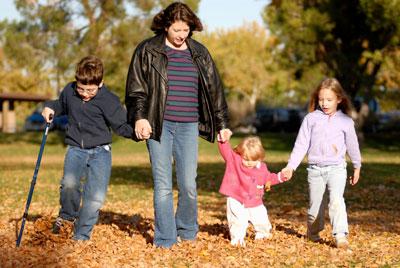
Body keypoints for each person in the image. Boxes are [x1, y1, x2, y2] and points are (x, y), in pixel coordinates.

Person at [125, 2, 230, 248]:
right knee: (162, 184)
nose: (182, 35)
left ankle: (187, 231)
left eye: (186, 30)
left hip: (188, 125)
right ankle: (165, 239)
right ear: (165, 26)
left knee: (188, 184)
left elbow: (215, 90)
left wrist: (222, 122)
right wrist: (140, 117)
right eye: (177, 30)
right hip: (158, 125)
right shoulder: (147, 50)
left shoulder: (200, 53)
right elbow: (136, 89)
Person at [42, 55, 134, 241]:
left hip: (101, 152)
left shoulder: (108, 100)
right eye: (81, 88)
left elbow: (121, 125)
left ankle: (82, 235)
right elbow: (60, 105)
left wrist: (138, 132)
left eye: (90, 90)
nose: (84, 93)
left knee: (95, 196)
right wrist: (50, 107)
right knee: (69, 184)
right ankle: (67, 218)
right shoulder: (70, 91)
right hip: (76, 148)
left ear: (100, 84)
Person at [282, 78, 361, 248]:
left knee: (336, 200)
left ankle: (340, 235)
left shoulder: (346, 122)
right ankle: (313, 232)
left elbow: (353, 146)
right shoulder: (311, 119)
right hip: (315, 170)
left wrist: (357, 166)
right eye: (321, 99)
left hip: (337, 169)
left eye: (329, 100)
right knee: (315, 207)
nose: (324, 103)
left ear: (339, 99)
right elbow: (301, 144)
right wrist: (291, 166)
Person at [217, 130, 288, 246]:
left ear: (259, 158)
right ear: (240, 154)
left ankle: (263, 235)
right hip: (236, 198)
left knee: (262, 219)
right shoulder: (234, 161)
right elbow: (226, 152)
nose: (249, 162)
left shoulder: (261, 168)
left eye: (253, 160)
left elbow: (268, 178)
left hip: (255, 199)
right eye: (246, 159)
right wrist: (223, 140)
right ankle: (237, 240)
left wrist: (281, 177)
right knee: (237, 220)